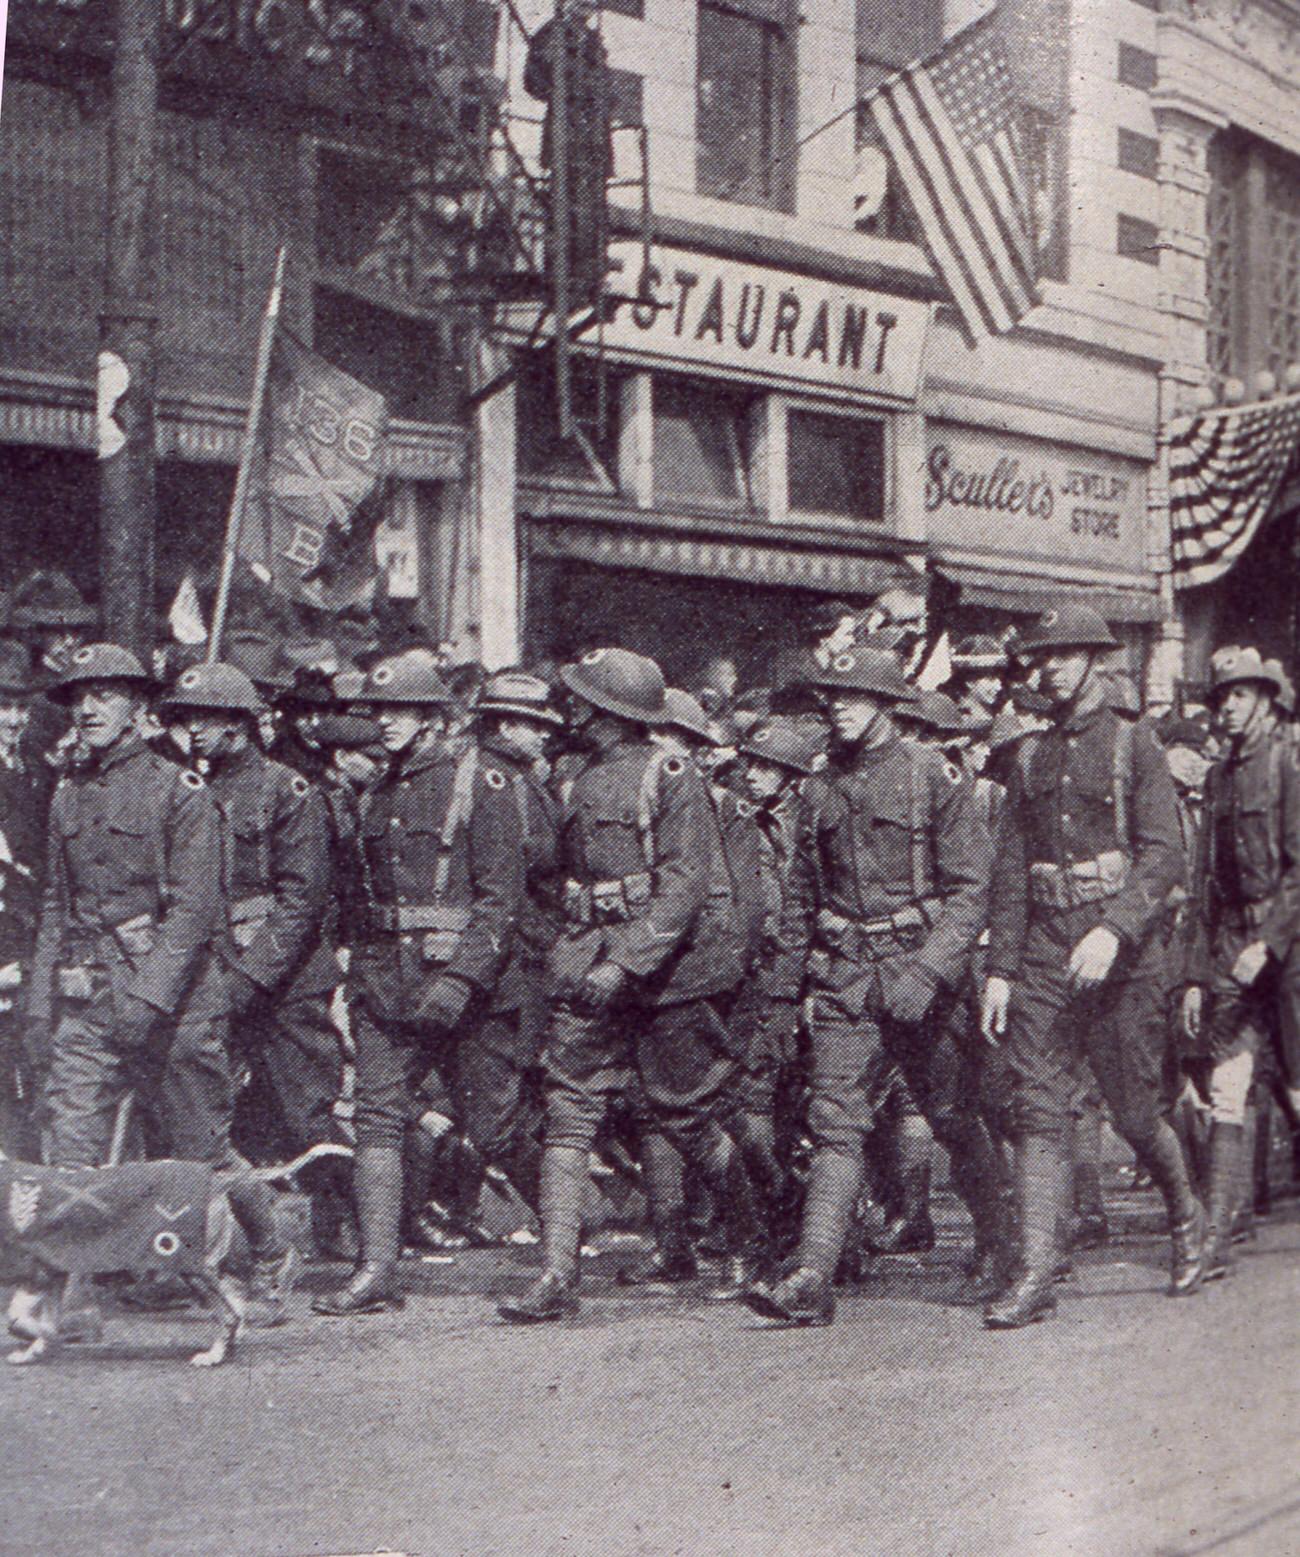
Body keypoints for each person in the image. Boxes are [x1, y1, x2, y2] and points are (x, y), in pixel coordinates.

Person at [498, 649, 761, 1323]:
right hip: (588, 958)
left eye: (583, 700)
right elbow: (551, 873)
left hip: (664, 971)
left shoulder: (670, 774)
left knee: (687, 1113)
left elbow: (683, 887)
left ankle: (752, 1239)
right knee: (570, 1108)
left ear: (611, 711)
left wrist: (627, 960)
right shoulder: (570, 778)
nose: (571, 709)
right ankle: (557, 1271)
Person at [744, 645, 997, 1326]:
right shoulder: (819, 787)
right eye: (835, 697)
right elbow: (799, 900)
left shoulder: (932, 777)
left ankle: (1004, 1245)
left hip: (923, 972)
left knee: (952, 1115)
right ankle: (810, 1276)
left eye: (856, 697)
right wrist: (779, 995)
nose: (841, 708)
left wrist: (928, 969)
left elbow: (972, 890)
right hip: (847, 978)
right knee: (837, 1125)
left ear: (888, 704)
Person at [981, 604, 1200, 1328]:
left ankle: (1187, 1216)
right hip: (1044, 944)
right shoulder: (1029, 756)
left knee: (1136, 1113)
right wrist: (1001, 968)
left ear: (1094, 662)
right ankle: (1038, 1268)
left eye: (1060, 656)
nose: (1045, 669)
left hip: (1123, 951)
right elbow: (1012, 867)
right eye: (1038, 658)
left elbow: (1165, 852)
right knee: (1036, 1107)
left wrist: (1113, 928)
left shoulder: (1136, 746)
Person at [314, 653, 525, 1316]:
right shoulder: (375, 789)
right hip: (386, 985)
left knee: (497, 1122)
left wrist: (462, 979)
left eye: (401, 709)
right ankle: (376, 1268)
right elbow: (362, 896)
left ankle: (568, 1236)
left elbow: (500, 900)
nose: (386, 722)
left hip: (465, 986)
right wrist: (357, 975)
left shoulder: (482, 780)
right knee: (378, 1117)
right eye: (378, 711)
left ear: (434, 715)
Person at [159, 663, 348, 1247]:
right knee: (221, 1114)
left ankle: (368, 1227)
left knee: (306, 1115)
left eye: (206, 718)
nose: (192, 729)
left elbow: (301, 902)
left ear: (240, 724)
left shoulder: (286, 791)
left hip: (285, 978)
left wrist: (248, 980)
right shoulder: (187, 791)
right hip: (213, 975)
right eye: (187, 718)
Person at [27, 644, 237, 1168]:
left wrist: (149, 998)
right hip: (89, 995)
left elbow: (193, 913)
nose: (87, 710)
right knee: (70, 1144)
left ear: (138, 708)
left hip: (175, 1001)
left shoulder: (179, 791)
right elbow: (57, 903)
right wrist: (38, 1001)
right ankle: (81, 1253)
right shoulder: (67, 793)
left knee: (200, 1152)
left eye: (103, 696)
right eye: (79, 698)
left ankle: (267, 1246)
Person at [1183, 648, 1300, 1280]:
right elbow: (1207, 881)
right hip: (1234, 942)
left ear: (1266, 701)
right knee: (1228, 1086)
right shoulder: (1219, 777)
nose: (1226, 706)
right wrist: (1199, 971)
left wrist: (1273, 940)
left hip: (1290, 944)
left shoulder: (1287, 765)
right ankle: (1216, 1238)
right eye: (1221, 697)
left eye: (1239, 696)